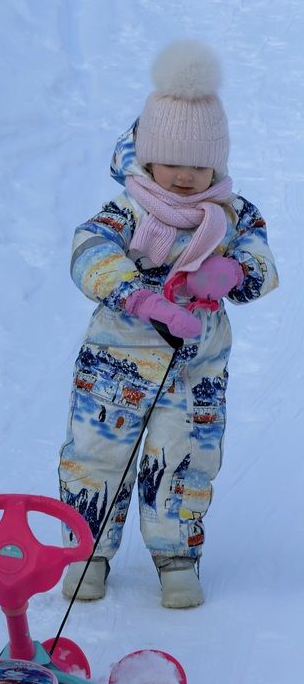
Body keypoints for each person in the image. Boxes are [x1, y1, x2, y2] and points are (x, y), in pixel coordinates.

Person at [59, 40, 278, 608]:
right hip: (115, 364)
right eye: (173, 161)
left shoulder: (232, 215)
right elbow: (89, 252)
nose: (185, 176)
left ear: (218, 163)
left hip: (195, 371)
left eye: (199, 163)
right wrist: (141, 299)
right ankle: (88, 555)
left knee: (185, 457)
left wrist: (230, 271)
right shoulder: (128, 211)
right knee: (99, 456)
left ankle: (177, 558)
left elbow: (261, 265)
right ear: (148, 158)